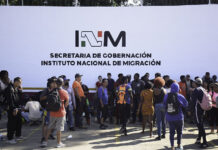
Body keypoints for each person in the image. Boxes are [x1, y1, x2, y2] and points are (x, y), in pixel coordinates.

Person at [41, 77, 69, 148]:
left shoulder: (51, 91)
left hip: (52, 113)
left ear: (56, 83)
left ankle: (45, 142)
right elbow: (66, 104)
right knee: (59, 129)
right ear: (62, 83)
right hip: (61, 113)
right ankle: (58, 143)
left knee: (50, 128)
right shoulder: (65, 92)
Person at [164, 82, 188, 150]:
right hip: (179, 117)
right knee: (179, 132)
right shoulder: (180, 96)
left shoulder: (166, 96)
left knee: (171, 132)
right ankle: (179, 145)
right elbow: (186, 105)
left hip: (169, 117)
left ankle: (172, 146)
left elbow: (164, 105)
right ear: (178, 88)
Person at [191, 78, 209, 148]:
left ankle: (205, 142)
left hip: (197, 110)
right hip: (202, 109)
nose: (193, 84)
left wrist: (190, 110)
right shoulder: (202, 89)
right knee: (200, 124)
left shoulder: (196, 90)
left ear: (195, 83)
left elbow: (193, 102)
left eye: (193, 83)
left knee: (200, 125)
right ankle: (199, 139)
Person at [5, 77, 23, 144]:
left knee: (19, 122)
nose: (20, 84)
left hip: (17, 107)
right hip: (12, 108)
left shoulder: (16, 88)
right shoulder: (10, 88)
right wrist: (13, 109)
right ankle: (10, 138)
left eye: (20, 83)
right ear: (15, 82)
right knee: (11, 124)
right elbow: (10, 100)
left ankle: (18, 135)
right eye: (19, 82)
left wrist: (20, 91)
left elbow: (19, 99)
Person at [40, 77, 57, 143]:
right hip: (47, 110)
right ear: (50, 83)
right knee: (46, 124)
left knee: (54, 124)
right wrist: (49, 96)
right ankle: (43, 137)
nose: (55, 84)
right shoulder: (46, 90)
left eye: (55, 83)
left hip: (54, 109)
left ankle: (49, 134)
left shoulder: (56, 90)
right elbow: (41, 98)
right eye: (53, 83)